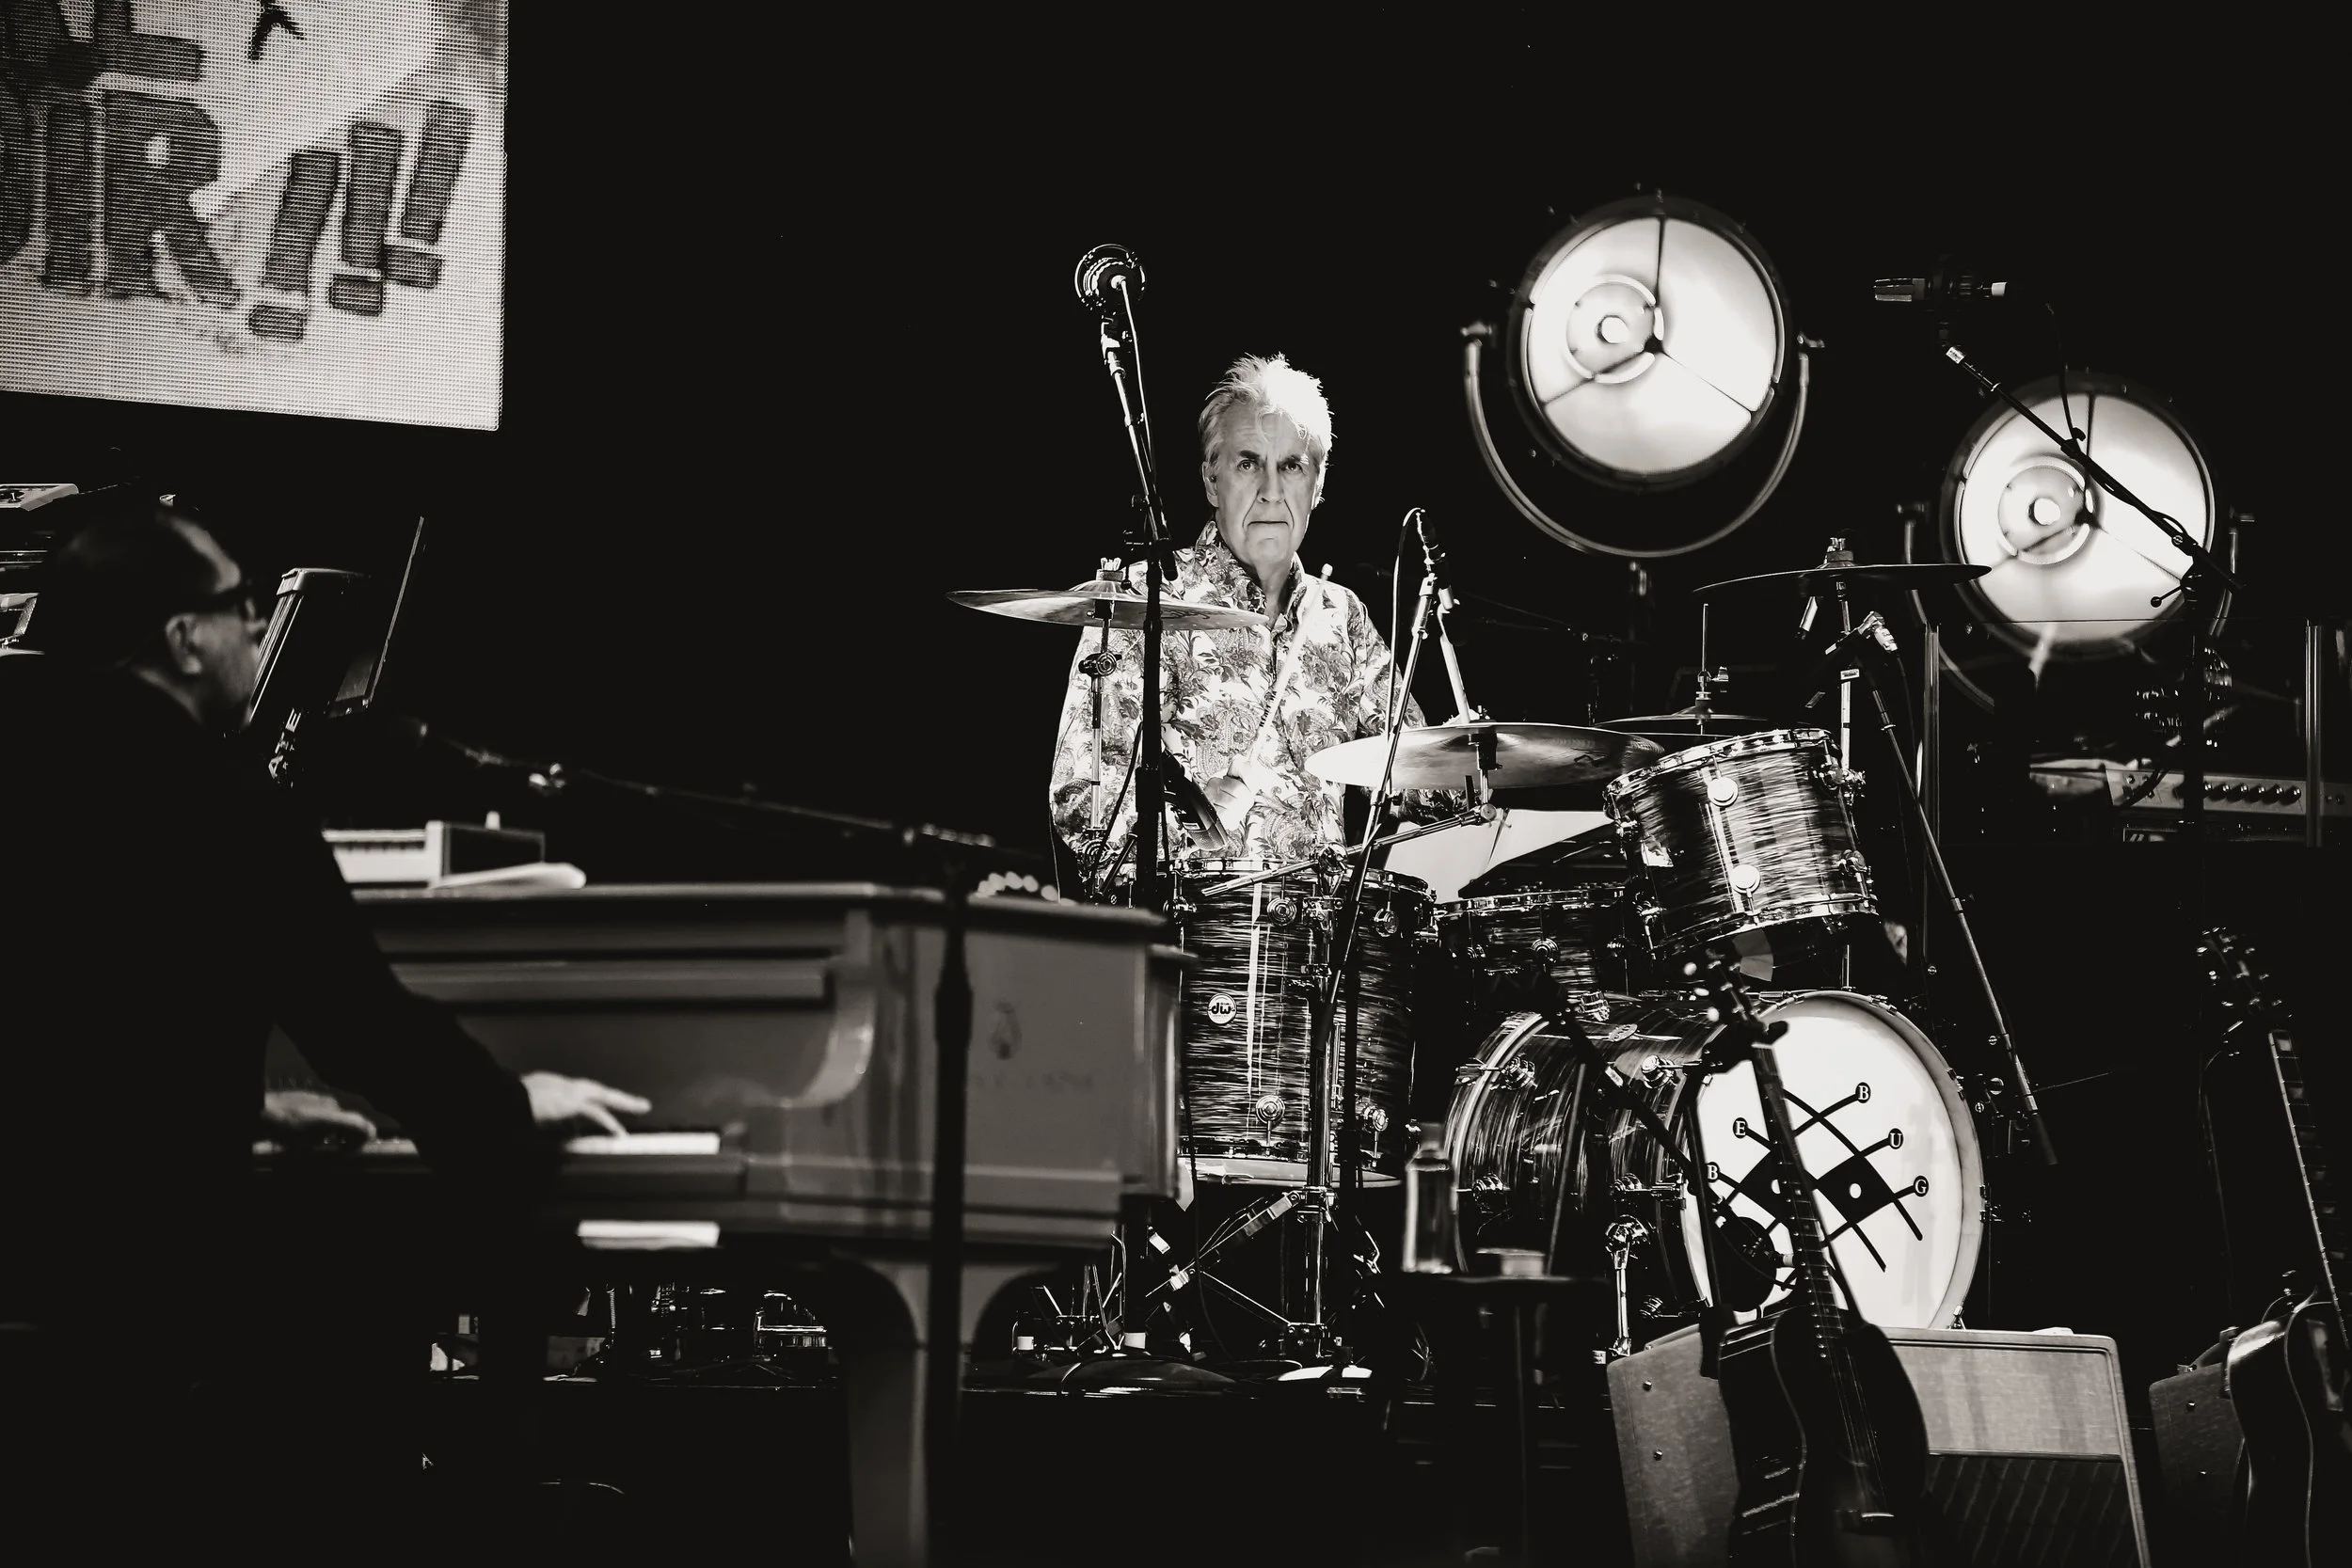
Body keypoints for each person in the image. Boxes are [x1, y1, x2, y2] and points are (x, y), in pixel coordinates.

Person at [0, 495, 646, 1542]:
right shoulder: (218, 801)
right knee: (351, 1294)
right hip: (120, 1282)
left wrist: (241, 1106)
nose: (257, 625)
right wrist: (508, 1100)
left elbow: (69, 1032)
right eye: (241, 605)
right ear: (185, 638)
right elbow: (359, 1024)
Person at [1049, 353, 1441, 874]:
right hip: (1188, 919)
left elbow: (1415, 775)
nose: (1271, 491)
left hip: (1315, 925)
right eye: (1248, 463)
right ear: (1212, 481)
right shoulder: (1146, 599)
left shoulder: (1340, 614)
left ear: (1318, 486)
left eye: (1291, 466)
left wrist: (1479, 757)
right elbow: (1084, 804)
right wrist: (1188, 829)